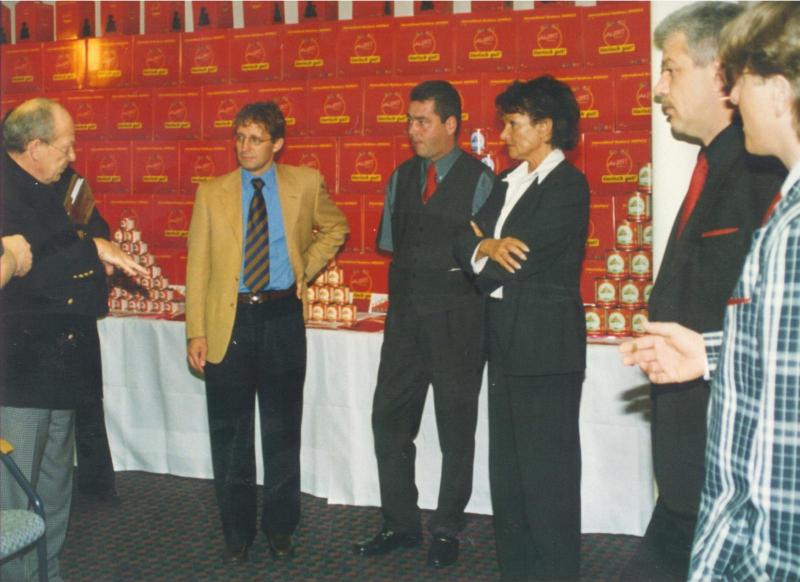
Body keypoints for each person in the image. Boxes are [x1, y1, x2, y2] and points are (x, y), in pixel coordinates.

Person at [621, 3, 800, 579]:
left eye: (670, 69)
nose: (658, 88)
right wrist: (708, 353)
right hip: (706, 470)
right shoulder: (733, 169)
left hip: (749, 497)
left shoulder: (767, 178)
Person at [185, 101, 348, 565]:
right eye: (239, 137)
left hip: (281, 318)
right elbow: (197, 267)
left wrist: (305, 270)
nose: (245, 147)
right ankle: (237, 533)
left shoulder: (305, 182)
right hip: (229, 322)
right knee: (231, 436)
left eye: (255, 139)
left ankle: (280, 527)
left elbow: (336, 227)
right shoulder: (211, 192)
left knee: (282, 430)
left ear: (277, 143)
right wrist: (196, 331)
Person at [0, 98, 145, 582]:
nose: (73, 155)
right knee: (15, 498)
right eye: (65, 147)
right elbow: (30, 265)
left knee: (55, 486)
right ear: (34, 147)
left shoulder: (70, 184)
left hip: (68, 362)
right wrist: (87, 248)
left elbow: (95, 230)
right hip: (20, 373)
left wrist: (88, 245)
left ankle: (47, 573)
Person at [353, 80, 495, 568]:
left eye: (422, 121)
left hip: (459, 322)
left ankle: (447, 528)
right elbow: (394, 245)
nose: (412, 130)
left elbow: (488, 258)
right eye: (410, 121)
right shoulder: (399, 177)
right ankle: (400, 523)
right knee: (389, 422)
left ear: (451, 124)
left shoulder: (481, 181)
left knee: (456, 429)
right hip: (405, 322)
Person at [453, 76, 589, 580]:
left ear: (545, 126)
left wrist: (482, 251)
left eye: (513, 123)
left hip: (546, 351)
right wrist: (486, 245)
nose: (504, 134)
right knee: (508, 479)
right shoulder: (509, 181)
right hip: (504, 346)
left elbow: (518, 259)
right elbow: (463, 238)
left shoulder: (568, 186)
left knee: (547, 481)